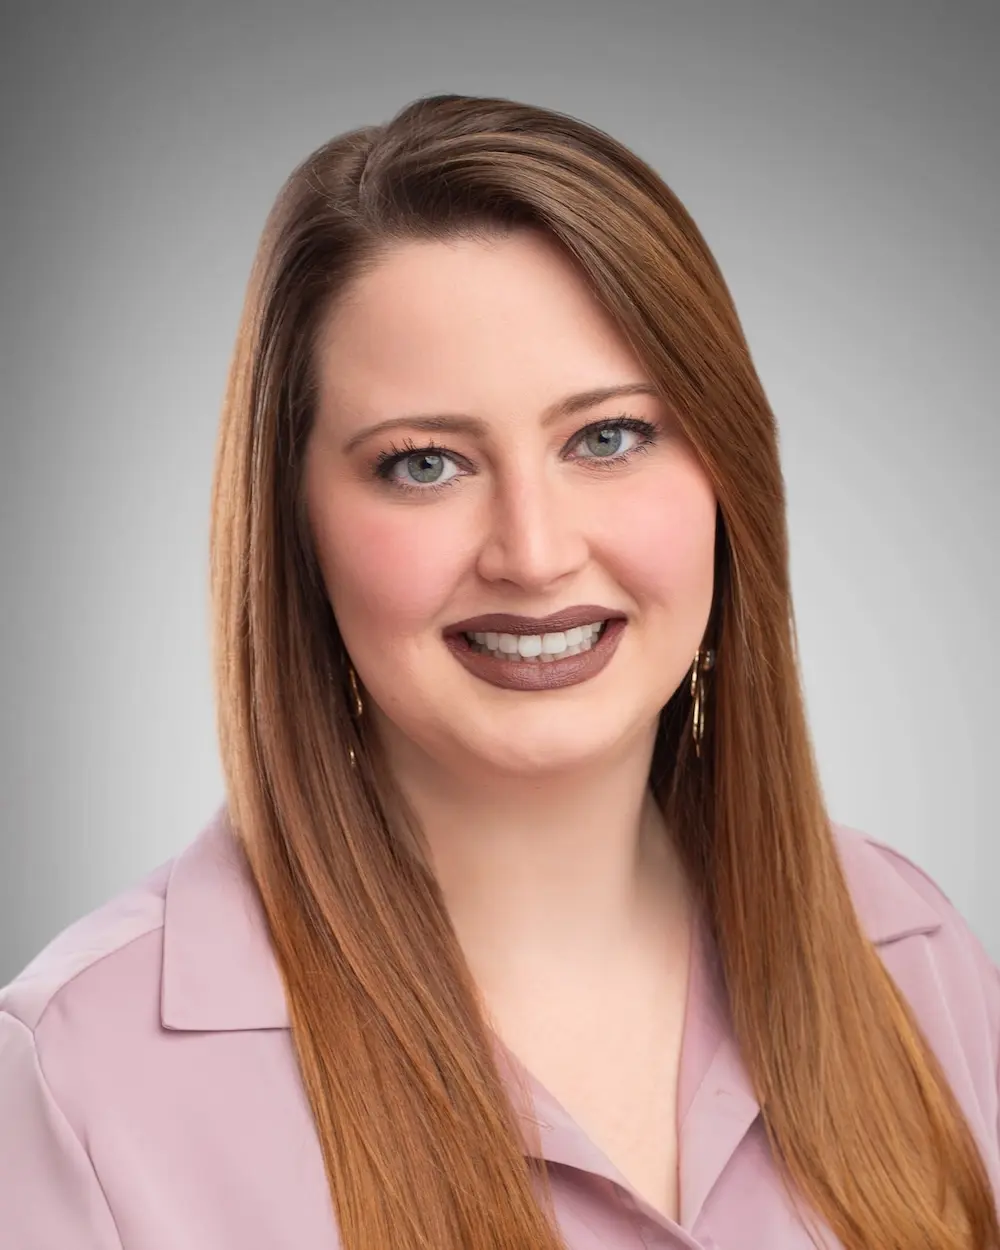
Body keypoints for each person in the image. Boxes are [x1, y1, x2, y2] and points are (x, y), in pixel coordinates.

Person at [0, 92, 997, 1250]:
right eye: (424, 462)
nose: (533, 551)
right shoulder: (72, 1082)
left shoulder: (911, 949)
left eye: (608, 437)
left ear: (729, 481)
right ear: (294, 527)